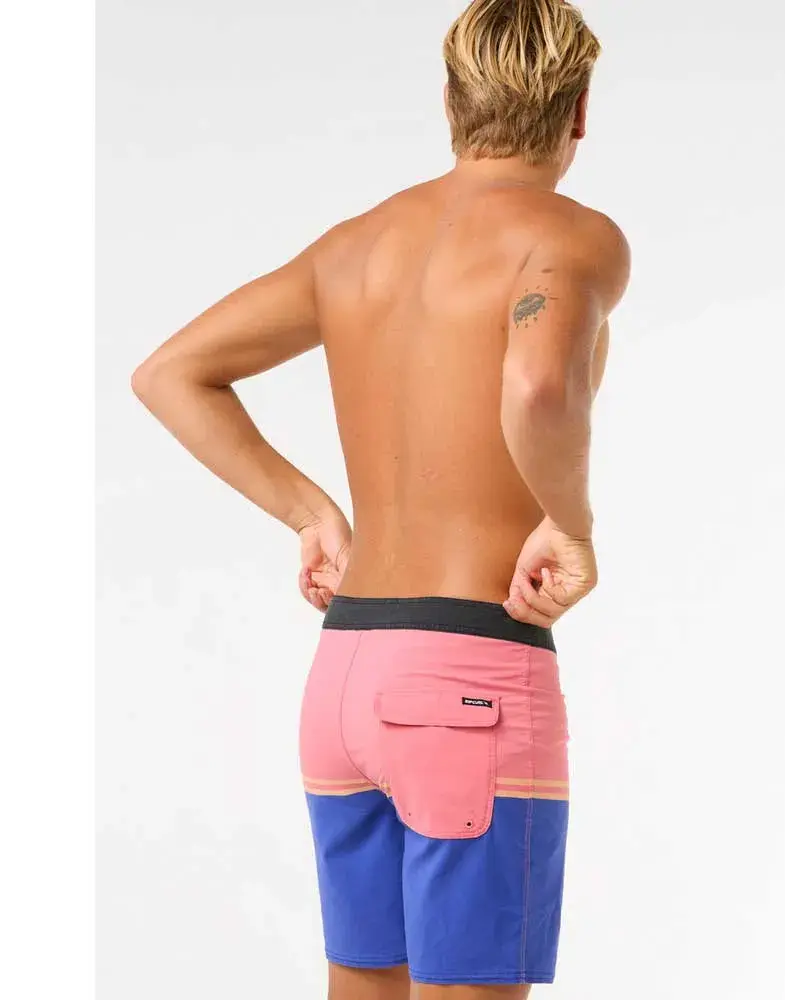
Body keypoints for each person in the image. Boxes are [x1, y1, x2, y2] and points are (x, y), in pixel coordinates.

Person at [132, 0, 629, 995]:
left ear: (449, 100)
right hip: (469, 682)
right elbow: (538, 385)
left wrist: (310, 512)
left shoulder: (353, 245)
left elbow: (171, 372)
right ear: (579, 110)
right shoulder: (570, 238)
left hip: (345, 678)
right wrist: (570, 529)